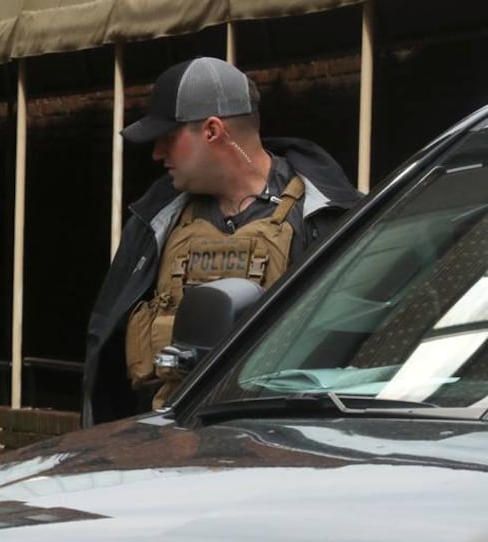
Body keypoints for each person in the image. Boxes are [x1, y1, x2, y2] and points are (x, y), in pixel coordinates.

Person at [82, 57, 361, 426]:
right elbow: (107, 353)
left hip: (278, 452)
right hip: (169, 450)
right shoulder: (155, 222)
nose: (156, 153)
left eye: (168, 138)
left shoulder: (326, 218)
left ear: (213, 131)